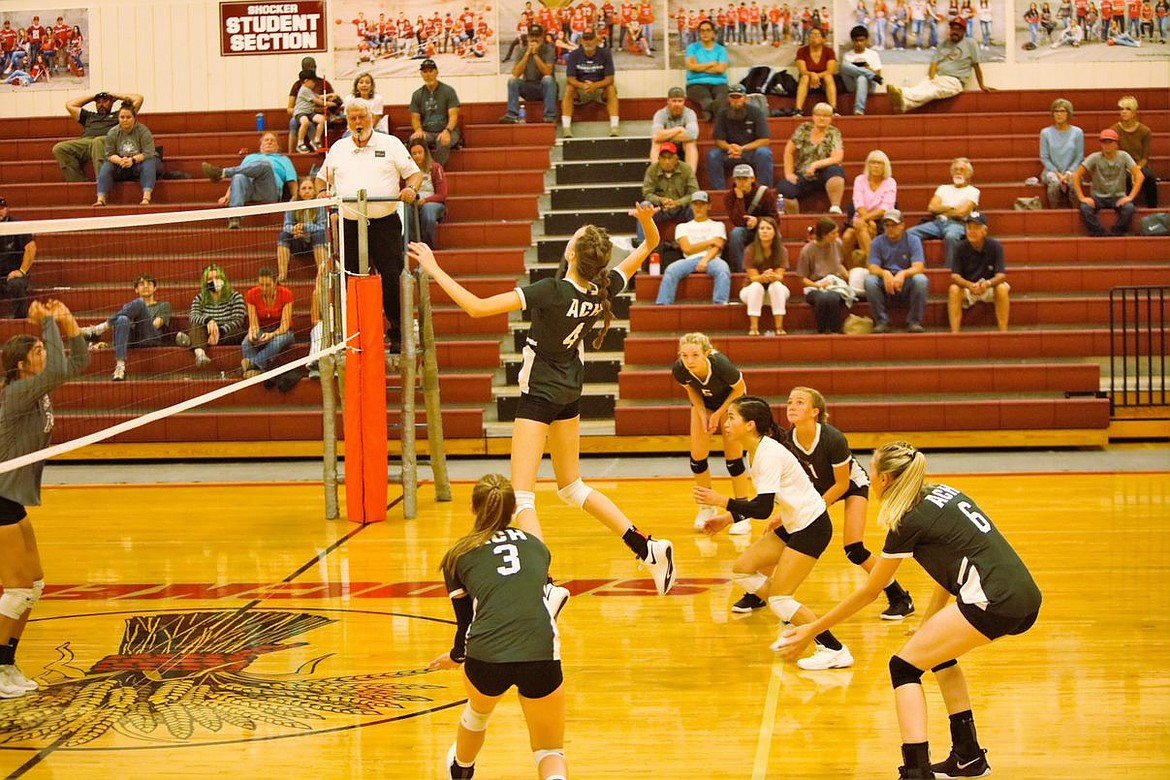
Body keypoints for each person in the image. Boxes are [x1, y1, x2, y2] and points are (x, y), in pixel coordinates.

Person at [409, 204, 678, 596]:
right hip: (570, 390)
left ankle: (546, 587)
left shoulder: (551, 291)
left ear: (572, 253)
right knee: (572, 487)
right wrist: (647, 222)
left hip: (539, 395)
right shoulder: (604, 286)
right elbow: (650, 245)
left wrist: (433, 268)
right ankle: (647, 547)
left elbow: (476, 307)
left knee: (521, 499)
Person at [776, 441, 1042, 780]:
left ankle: (916, 771)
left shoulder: (908, 521)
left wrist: (813, 629)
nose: (870, 478)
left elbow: (872, 591)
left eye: (872, 472)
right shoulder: (942, 493)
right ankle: (968, 757)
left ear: (885, 479)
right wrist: (930, 623)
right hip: (1022, 596)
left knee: (903, 668)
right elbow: (950, 572)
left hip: (993, 599)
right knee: (938, 656)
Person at [695, 397, 854, 668]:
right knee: (743, 567)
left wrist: (722, 502)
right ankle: (792, 617)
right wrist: (728, 518)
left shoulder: (766, 453)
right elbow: (762, 502)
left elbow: (763, 509)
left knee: (780, 599)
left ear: (750, 425)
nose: (727, 422)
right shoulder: (756, 450)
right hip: (795, 523)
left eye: (732, 417)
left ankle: (833, 648)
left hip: (811, 526)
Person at [427, 474, 568, 780]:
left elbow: (465, 625)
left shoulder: (458, 555)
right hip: (540, 651)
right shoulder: (537, 547)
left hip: (486, 658)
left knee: (477, 714)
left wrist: (455, 657)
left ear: (473, 508)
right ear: (513, 508)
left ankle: (461, 769)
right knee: (549, 750)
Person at [0, 300, 88, 699]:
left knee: (34, 586)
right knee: (17, 589)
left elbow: (76, 364)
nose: (45, 355)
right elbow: (58, 368)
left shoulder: (37, 387)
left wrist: (69, 327)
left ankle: (7, 663)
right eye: (37, 351)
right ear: (22, 365)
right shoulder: (17, 392)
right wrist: (48, 320)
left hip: (12, 497)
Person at [782, 387, 914, 618]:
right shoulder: (786, 441)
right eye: (790, 401)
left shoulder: (832, 438)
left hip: (850, 485)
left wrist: (811, 509)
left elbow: (841, 484)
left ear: (815, 411)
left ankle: (900, 597)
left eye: (800, 402)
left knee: (854, 549)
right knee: (784, 533)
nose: (792, 406)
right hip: (817, 488)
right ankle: (765, 594)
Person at [317, 99, 422, 352]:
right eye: (352, 119)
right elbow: (321, 180)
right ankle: (357, 335)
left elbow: (415, 174)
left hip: (384, 223)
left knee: (391, 279)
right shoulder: (339, 148)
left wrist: (410, 188)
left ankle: (397, 334)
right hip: (350, 224)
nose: (357, 123)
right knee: (353, 281)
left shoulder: (390, 143)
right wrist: (321, 193)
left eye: (361, 118)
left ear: (371, 118)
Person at [673, 333, 751, 533]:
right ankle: (707, 506)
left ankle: (742, 513)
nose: (689, 361)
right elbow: (693, 392)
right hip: (705, 404)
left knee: (733, 460)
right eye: (684, 355)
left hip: (732, 403)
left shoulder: (720, 364)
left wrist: (718, 414)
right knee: (697, 459)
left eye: (695, 355)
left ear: (706, 353)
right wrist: (702, 414)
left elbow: (740, 389)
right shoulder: (680, 369)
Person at [885, 18, 993, 113]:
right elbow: (934, 63)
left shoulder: (970, 43)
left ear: (964, 31)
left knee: (933, 90)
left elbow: (976, 66)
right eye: (953, 29)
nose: (955, 32)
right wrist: (932, 78)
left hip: (954, 81)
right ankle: (904, 105)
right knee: (923, 87)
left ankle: (903, 93)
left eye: (958, 29)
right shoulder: (943, 44)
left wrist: (982, 85)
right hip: (938, 77)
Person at [79, 274, 172, 381]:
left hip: (150, 337)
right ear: (136, 289)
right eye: (142, 284)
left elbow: (155, 324)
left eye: (149, 283)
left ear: (155, 288)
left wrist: (138, 315)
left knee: (139, 304)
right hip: (132, 339)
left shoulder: (164, 306)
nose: (146, 286)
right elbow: (123, 327)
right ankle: (120, 367)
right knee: (122, 319)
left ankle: (99, 329)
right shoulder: (128, 308)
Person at [200, 131, 297, 230]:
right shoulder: (250, 157)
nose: (269, 142)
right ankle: (235, 217)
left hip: (268, 191)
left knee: (265, 165)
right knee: (238, 176)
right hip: (248, 189)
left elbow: (292, 180)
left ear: (277, 147)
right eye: (266, 140)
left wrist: (296, 198)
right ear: (261, 145)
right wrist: (227, 196)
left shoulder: (284, 159)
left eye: (273, 141)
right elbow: (238, 175)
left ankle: (222, 173)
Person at [654, 191, 731, 306]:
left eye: (702, 204)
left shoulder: (718, 225)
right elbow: (687, 249)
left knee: (723, 269)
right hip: (689, 260)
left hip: (712, 259)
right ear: (691, 206)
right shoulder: (682, 227)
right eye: (696, 204)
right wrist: (710, 241)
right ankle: (663, 305)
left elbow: (718, 247)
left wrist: (705, 260)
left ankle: (720, 304)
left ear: (709, 206)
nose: (698, 207)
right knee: (671, 269)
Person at [52, 90, 145, 182]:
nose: (101, 104)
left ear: (112, 103)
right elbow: (70, 105)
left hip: (108, 142)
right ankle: (78, 183)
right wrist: (93, 96)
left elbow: (138, 99)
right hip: (87, 142)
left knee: (98, 141)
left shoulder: (120, 115)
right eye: (98, 102)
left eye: (105, 101)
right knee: (59, 148)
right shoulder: (89, 116)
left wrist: (115, 95)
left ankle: (103, 184)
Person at [907, 157, 980, 267]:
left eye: (962, 169)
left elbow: (962, 213)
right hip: (938, 223)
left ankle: (950, 269)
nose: (958, 172)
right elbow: (932, 207)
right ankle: (919, 265)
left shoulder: (973, 191)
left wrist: (943, 209)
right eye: (955, 170)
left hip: (957, 224)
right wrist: (953, 208)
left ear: (969, 174)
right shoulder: (943, 188)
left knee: (951, 236)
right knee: (910, 233)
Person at [866, 209, 928, 333]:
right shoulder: (877, 241)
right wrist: (885, 273)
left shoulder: (913, 240)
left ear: (902, 226)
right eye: (887, 225)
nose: (890, 228)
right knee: (870, 281)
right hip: (886, 283)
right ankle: (882, 321)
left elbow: (919, 266)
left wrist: (903, 273)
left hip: (906, 282)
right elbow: (872, 266)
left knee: (921, 280)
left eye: (893, 225)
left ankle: (914, 321)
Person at [1073, 128, 1143, 237]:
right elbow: (1076, 175)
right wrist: (1082, 197)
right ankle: (1099, 233)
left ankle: (1116, 232)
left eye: (1110, 142)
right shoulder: (1095, 157)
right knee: (1085, 208)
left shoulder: (1124, 156)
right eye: (1104, 142)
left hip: (1118, 196)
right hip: (1098, 197)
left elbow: (1139, 175)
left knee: (1129, 208)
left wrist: (1130, 197)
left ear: (1116, 144)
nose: (1107, 145)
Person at [778, 103, 846, 215]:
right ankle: (795, 218)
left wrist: (815, 165)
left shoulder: (834, 132)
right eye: (818, 115)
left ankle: (835, 207)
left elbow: (837, 157)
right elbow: (789, 151)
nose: (822, 118)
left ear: (831, 118)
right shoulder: (804, 128)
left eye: (826, 115)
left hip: (824, 172)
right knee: (784, 188)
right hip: (803, 173)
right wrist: (789, 173)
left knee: (836, 171)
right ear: (813, 116)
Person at [947, 212, 1008, 333]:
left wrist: (987, 284)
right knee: (953, 289)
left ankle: (1003, 332)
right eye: (969, 228)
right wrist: (969, 285)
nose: (971, 231)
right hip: (969, 287)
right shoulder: (960, 247)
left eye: (976, 228)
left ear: (985, 230)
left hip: (989, 286)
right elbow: (955, 276)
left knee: (1002, 288)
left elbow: (1001, 275)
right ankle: (955, 334)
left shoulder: (996, 246)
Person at [177, 264, 247, 368]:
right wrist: (209, 321)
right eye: (210, 279)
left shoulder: (236, 296)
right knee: (196, 326)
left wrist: (220, 331)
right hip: (207, 331)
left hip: (226, 332)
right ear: (205, 283)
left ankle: (192, 341)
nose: (214, 281)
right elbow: (193, 315)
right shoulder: (200, 298)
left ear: (223, 279)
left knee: (239, 332)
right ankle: (200, 355)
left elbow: (238, 320)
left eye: (217, 278)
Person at [707, 84, 773, 191]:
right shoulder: (722, 114)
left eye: (739, 97)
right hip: (730, 153)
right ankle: (719, 191)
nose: (736, 100)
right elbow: (719, 140)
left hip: (751, 152)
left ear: (745, 98)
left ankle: (764, 191)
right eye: (733, 97)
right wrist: (729, 148)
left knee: (764, 153)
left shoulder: (756, 112)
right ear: (728, 99)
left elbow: (765, 140)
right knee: (713, 155)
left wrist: (742, 149)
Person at [798, 217, 858, 334]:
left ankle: (836, 330)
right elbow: (802, 278)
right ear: (824, 235)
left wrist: (850, 278)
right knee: (823, 298)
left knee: (832, 297)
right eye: (833, 233)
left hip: (835, 283)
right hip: (815, 285)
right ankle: (822, 330)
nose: (837, 235)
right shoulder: (807, 250)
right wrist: (818, 285)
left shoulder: (838, 244)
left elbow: (839, 264)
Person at [93, 105, 160, 207]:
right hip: (121, 163)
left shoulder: (143, 131)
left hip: (139, 163)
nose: (125, 120)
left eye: (128, 117)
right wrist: (120, 160)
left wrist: (132, 160)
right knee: (106, 166)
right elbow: (109, 155)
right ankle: (101, 199)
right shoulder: (112, 132)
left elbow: (148, 153)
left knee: (149, 162)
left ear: (134, 118)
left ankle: (146, 198)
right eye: (122, 117)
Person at [636, 142, 698, 252]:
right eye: (663, 158)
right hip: (661, 210)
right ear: (658, 158)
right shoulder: (652, 170)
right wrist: (661, 200)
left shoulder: (686, 169)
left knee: (695, 206)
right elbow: (647, 193)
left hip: (681, 209)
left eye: (670, 158)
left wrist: (678, 202)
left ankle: (695, 242)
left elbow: (694, 193)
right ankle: (643, 246)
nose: (667, 161)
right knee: (644, 206)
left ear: (676, 158)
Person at [561, 29, 620, 138]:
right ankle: (566, 128)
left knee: (611, 88)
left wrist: (595, 85)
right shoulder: (574, 55)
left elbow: (610, 78)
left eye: (590, 39)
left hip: (599, 89)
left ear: (596, 40)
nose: (588, 42)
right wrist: (582, 85)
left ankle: (615, 127)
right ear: (581, 41)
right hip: (581, 90)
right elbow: (570, 78)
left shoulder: (605, 53)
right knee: (569, 88)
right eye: (585, 39)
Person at [842, 149, 897, 266]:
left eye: (879, 163)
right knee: (847, 237)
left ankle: (870, 265)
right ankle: (851, 269)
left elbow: (884, 209)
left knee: (858, 226)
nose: (876, 166)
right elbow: (858, 203)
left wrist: (866, 220)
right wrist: (869, 221)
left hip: (882, 221)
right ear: (868, 165)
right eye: (873, 162)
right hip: (862, 218)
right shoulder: (860, 180)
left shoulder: (890, 182)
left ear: (885, 166)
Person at [724, 164, 782, 273]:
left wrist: (758, 221)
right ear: (734, 180)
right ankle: (740, 271)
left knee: (777, 233)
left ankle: (776, 268)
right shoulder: (729, 197)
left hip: (763, 227)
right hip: (744, 230)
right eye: (738, 179)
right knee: (736, 233)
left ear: (752, 179)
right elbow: (738, 221)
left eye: (745, 179)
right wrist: (740, 199)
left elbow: (775, 220)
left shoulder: (765, 193)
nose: (742, 182)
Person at [739, 216, 790, 335]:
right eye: (761, 228)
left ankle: (779, 327)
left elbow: (780, 276)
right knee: (757, 286)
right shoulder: (750, 250)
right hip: (751, 291)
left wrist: (771, 276)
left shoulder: (782, 250)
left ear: (775, 232)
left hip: (775, 291)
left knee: (776, 285)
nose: (764, 231)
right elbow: (753, 278)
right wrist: (763, 277)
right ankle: (754, 327)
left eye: (768, 228)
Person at [240, 268, 294, 378]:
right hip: (263, 329)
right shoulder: (251, 294)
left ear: (275, 283)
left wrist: (272, 334)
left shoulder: (286, 294)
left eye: (268, 285)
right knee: (246, 343)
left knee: (276, 342)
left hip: (282, 331)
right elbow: (254, 324)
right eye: (261, 284)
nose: (264, 288)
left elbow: (285, 326)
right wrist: (253, 333)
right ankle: (258, 371)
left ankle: (252, 365)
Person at [501, 24, 558, 124]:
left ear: (542, 37)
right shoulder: (523, 50)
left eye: (537, 36)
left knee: (548, 79)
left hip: (544, 88)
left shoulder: (549, 49)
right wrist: (528, 53)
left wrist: (535, 54)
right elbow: (516, 73)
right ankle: (512, 115)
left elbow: (547, 72)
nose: (534, 39)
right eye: (532, 36)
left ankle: (550, 116)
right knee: (512, 81)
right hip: (528, 87)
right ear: (528, 37)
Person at [277, 177, 329, 283]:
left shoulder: (320, 203)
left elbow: (322, 226)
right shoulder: (293, 202)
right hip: (298, 241)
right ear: (299, 192)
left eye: (310, 188)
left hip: (315, 241)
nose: (307, 191)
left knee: (319, 234)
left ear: (314, 190)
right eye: (303, 188)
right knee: (283, 235)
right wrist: (295, 229)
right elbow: (286, 225)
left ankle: (323, 275)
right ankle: (282, 275)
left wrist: (305, 227)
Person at [409, 60, 461, 165]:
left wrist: (447, 131)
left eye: (430, 71)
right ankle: (422, 171)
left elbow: (453, 115)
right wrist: (418, 130)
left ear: (436, 72)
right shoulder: (417, 94)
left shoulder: (448, 91)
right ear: (421, 74)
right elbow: (415, 117)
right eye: (425, 72)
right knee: (414, 140)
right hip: (427, 132)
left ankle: (436, 170)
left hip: (448, 130)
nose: (428, 74)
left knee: (443, 140)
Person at [1113, 95, 1159, 208]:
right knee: (1126, 177)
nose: (1123, 112)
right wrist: (1129, 170)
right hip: (1122, 166)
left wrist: (1136, 169)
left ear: (1134, 112)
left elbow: (1145, 157)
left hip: (1139, 165)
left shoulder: (1145, 131)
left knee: (1149, 177)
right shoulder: (1114, 129)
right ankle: (1125, 207)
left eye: (1127, 109)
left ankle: (1152, 209)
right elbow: (1115, 154)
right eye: (1121, 109)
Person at [1040, 99, 1085, 208]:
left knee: (1074, 181)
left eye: (1062, 111)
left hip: (1072, 169)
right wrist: (1058, 174)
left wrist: (1068, 173)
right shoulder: (1045, 133)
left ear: (1068, 113)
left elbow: (1079, 156)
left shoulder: (1078, 132)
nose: (1059, 114)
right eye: (1056, 111)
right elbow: (1044, 157)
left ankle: (1075, 212)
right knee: (1054, 182)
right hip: (1051, 170)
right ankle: (1054, 211)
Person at [285, 57, 335, 155]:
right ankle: (292, 153)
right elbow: (290, 108)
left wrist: (329, 100)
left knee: (318, 121)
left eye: (312, 67)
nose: (311, 69)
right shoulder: (298, 85)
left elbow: (330, 102)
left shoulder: (323, 83)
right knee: (295, 122)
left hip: (316, 113)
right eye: (307, 67)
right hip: (302, 113)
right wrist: (302, 109)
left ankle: (317, 149)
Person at [685, 20, 730, 121]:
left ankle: (709, 114)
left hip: (719, 84)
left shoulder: (721, 50)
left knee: (721, 99)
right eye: (702, 31)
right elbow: (692, 67)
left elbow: (721, 69)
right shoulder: (692, 48)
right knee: (707, 100)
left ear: (713, 33)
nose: (705, 33)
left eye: (708, 30)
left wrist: (699, 67)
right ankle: (712, 112)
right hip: (696, 84)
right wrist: (711, 63)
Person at [409, 139, 448, 249]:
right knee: (404, 209)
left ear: (425, 153)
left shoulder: (435, 168)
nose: (417, 156)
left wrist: (426, 200)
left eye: (420, 152)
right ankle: (411, 245)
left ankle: (428, 246)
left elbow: (442, 194)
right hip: (413, 202)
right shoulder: (406, 171)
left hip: (432, 202)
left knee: (427, 209)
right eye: (414, 153)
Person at [0, 197, 35, 320]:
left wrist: (21, 271)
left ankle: (20, 321)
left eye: (2, 208)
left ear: (7, 209)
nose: (0, 211)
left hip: (14, 274)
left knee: (16, 284)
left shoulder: (17, 225)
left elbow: (31, 248)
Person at [651, 87, 700, 171]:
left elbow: (693, 134)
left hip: (682, 147)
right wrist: (679, 129)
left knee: (690, 143)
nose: (677, 104)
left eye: (680, 101)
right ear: (668, 101)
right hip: (666, 147)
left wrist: (666, 135)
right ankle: (657, 175)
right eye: (674, 101)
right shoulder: (660, 114)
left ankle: (690, 177)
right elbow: (656, 135)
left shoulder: (690, 113)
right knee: (656, 143)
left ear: (684, 101)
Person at [840, 25, 884, 115]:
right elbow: (845, 71)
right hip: (852, 84)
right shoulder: (848, 55)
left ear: (866, 40)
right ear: (853, 41)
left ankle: (859, 110)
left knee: (862, 78)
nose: (859, 43)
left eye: (861, 40)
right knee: (844, 66)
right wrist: (866, 72)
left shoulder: (873, 54)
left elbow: (878, 75)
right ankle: (868, 74)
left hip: (868, 85)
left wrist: (869, 69)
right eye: (856, 41)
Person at [793, 26, 838, 115]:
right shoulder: (802, 51)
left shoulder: (829, 51)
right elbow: (802, 70)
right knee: (804, 77)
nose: (813, 37)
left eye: (817, 35)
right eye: (811, 35)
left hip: (823, 80)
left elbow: (830, 70)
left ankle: (833, 109)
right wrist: (812, 74)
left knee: (829, 77)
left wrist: (817, 76)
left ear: (824, 39)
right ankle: (798, 110)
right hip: (808, 79)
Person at [292, 70, 327, 153]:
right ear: (306, 81)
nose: (314, 84)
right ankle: (300, 143)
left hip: (309, 112)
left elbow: (318, 96)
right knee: (305, 122)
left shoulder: (309, 91)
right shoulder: (304, 90)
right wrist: (327, 103)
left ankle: (316, 140)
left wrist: (329, 96)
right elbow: (317, 101)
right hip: (301, 112)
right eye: (313, 81)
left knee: (322, 119)